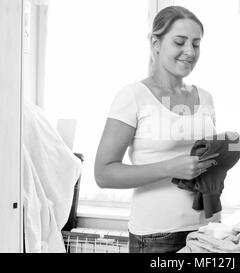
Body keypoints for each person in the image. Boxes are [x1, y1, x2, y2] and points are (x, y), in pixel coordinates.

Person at [94, 6, 220, 253]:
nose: (189, 52)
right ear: (156, 43)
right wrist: (169, 167)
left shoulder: (205, 98)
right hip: (157, 237)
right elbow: (103, 173)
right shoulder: (133, 96)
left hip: (208, 230)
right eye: (180, 42)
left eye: (196, 44)